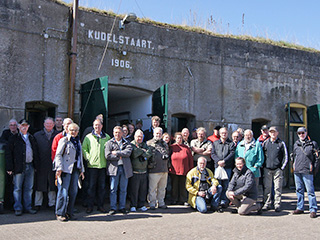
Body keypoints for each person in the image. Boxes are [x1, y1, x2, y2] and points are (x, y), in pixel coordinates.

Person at [5, 119, 39, 216]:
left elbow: (35, 152)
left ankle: (28, 207)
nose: (24, 127)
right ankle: (18, 208)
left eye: (26, 125)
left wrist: (36, 165)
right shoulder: (14, 138)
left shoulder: (31, 138)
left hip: (30, 165)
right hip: (18, 166)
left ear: (28, 127)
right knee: (17, 188)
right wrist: (9, 167)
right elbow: (8, 153)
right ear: (19, 127)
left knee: (29, 188)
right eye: (22, 125)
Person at [53, 123, 85, 221]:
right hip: (65, 169)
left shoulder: (78, 142)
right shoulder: (64, 140)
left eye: (75, 130)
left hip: (75, 169)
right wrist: (59, 168)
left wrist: (82, 170)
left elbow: (80, 157)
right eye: (71, 130)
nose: (73, 132)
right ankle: (60, 213)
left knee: (73, 192)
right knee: (63, 192)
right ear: (67, 130)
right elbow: (58, 155)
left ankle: (69, 212)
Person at [82, 118, 111, 214]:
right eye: (95, 125)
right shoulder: (88, 137)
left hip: (102, 166)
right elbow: (84, 149)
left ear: (102, 126)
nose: (97, 127)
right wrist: (88, 158)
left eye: (98, 125)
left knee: (102, 187)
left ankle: (100, 206)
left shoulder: (106, 137)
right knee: (91, 187)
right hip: (92, 166)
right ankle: (90, 206)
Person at [105, 126, 133, 215]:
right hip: (114, 168)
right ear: (113, 133)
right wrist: (119, 156)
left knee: (123, 189)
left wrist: (116, 153)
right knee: (113, 189)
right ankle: (113, 207)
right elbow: (108, 155)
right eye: (115, 132)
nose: (117, 134)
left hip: (125, 168)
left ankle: (122, 207)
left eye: (119, 132)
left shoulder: (127, 142)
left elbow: (128, 153)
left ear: (122, 133)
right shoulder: (109, 143)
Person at [292, 127, 318, 218]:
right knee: (299, 190)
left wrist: (314, 169)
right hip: (297, 170)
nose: (301, 135)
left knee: (310, 191)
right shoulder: (296, 144)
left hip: (307, 170)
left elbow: (317, 159)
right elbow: (294, 156)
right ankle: (300, 207)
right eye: (299, 133)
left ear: (306, 133)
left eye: (303, 133)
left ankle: (313, 209)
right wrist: (294, 166)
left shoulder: (312, 144)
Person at [34, 117, 58, 211]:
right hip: (40, 163)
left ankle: (52, 203)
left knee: (52, 184)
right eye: (47, 124)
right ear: (44, 124)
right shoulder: (37, 135)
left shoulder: (57, 135)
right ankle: (37, 203)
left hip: (52, 163)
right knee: (39, 184)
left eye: (51, 124)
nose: (49, 125)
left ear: (53, 125)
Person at [262, 126, 288, 212]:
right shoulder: (265, 143)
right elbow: (262, 155)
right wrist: (263, 166)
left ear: (277, 133)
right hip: (267, 169)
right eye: (271, 132)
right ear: (269, 133)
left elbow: (285, 156)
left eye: (274, 132)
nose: (273, 134)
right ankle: (267, 203)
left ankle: (277, 204)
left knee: (277, 188)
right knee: (267, 187)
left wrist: (281, 167)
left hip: (277, 169)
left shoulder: (281, 143)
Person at [211, 127, 236, 208]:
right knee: (217, 185)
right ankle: (215, 202)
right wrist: (218, 161)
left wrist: (224, 161)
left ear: (227, 133)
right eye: (222, 133)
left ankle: (224, 202)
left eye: (225, 133)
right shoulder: (215, 143)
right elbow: (213, 154)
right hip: (217, 167)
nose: (223, 134)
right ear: (220, 134)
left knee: (226, 185)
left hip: (227, 167)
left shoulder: (231, 144)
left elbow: (232, 154)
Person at [129, 129, 152, 212]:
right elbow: (134, 153)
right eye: (138, 136)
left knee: (143, 190)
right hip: (135, 171)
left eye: (141, 137)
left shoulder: (145, 144)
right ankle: (133, 205)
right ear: (135, 136)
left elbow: (149, 153)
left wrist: (143, 154)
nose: (139, 138)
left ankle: (141, 205)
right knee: (134, 190)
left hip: (144, 171)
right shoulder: (131, 144)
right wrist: (142, 151)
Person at [147, 127, 169, 210]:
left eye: (160, 133)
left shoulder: (164, 144)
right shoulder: (149, 143)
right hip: (154, 169)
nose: (158, 135)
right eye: (157, 133)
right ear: (153, 134)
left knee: (162, 188)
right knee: (152, 189)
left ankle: (161, 202)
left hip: (164, 169)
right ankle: (152, 203)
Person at [0, 119, 19, 213]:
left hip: (18, 162)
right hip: (8, 162)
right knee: (8, 184)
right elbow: (4, 144)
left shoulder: (19, 134)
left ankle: (14, 204)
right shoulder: (6, 133)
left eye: (15, 125)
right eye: (11, 125)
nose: (13, 127)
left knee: (16, 186)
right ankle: (8, 204)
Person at [169, 132, 193, 205]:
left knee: (183, 186)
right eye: (178, 138)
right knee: (174, 186)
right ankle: (174, 199)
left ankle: (183, 199)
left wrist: (191, 169)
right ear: (175, 138)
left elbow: (190, 159)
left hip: (184, 169)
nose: (179, 139)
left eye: (180, 138)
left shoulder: (186, 148)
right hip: (174, 170)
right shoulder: (171, 147)